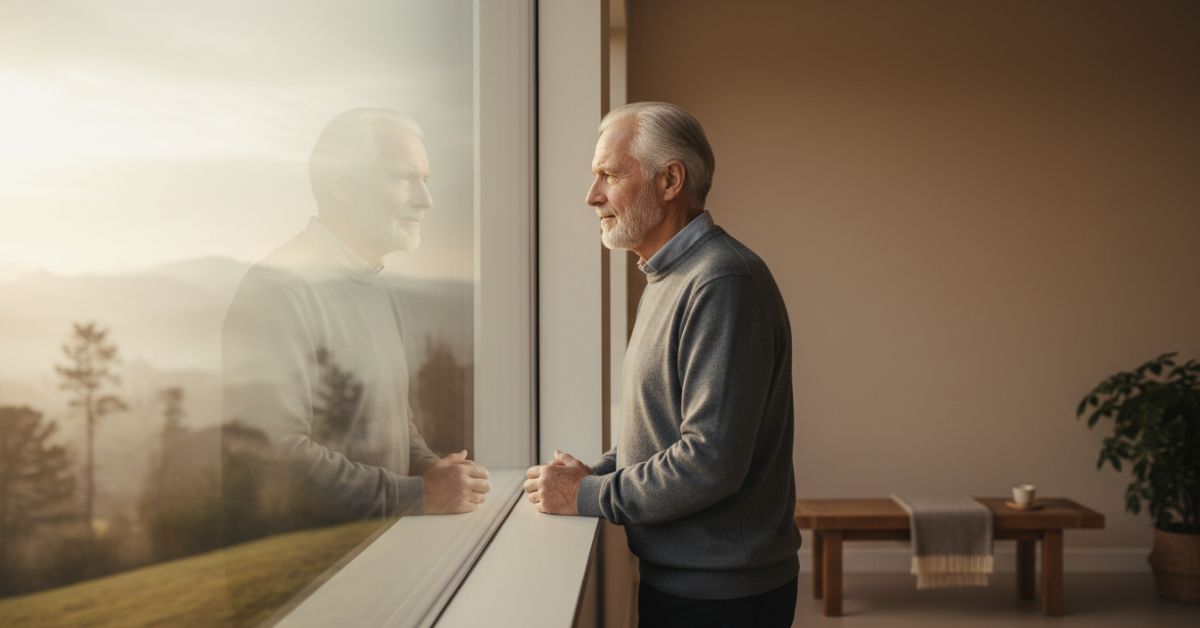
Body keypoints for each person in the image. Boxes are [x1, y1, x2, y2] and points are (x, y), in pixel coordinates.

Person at [523, 102, 801, 627]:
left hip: (721, 599)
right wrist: (597, 470)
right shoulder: (671, 277)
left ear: (670, 180)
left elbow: (709, 462)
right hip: (688, 582)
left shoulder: (721, 282)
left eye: (609, 174)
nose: (592, 196)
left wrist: (586, 494)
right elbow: (666, 431)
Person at [221, 108, 490, 543]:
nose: (426, 200)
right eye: (404, 178)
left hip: (378, 557)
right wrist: (417, 495)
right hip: (312, 585)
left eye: (426, 179)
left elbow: (393, 418)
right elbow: (275, 457)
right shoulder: (276, 291)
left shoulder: (374, 284)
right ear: (342, 184)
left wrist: (428, 467)